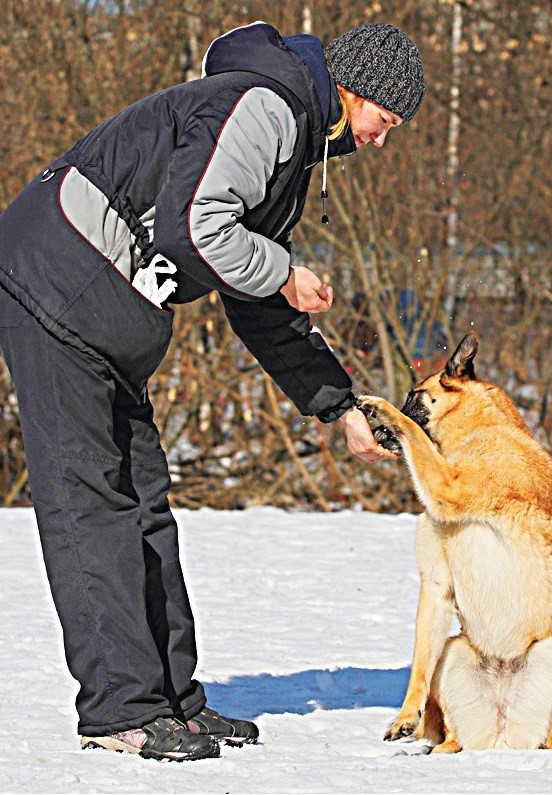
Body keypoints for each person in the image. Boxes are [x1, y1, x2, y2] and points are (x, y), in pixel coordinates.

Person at [0, 21, 425, 762]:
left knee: (143, 496)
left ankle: (172, 702)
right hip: (55, 284)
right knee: (90, 502)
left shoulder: (291, 140)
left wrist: (340, 405)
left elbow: (254, 297)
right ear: (353, 89)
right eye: (383, 122)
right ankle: (120, 711)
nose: (381, 141)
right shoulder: (264, 106)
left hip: (103, 307)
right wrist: (283, 269)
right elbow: (193, 229)